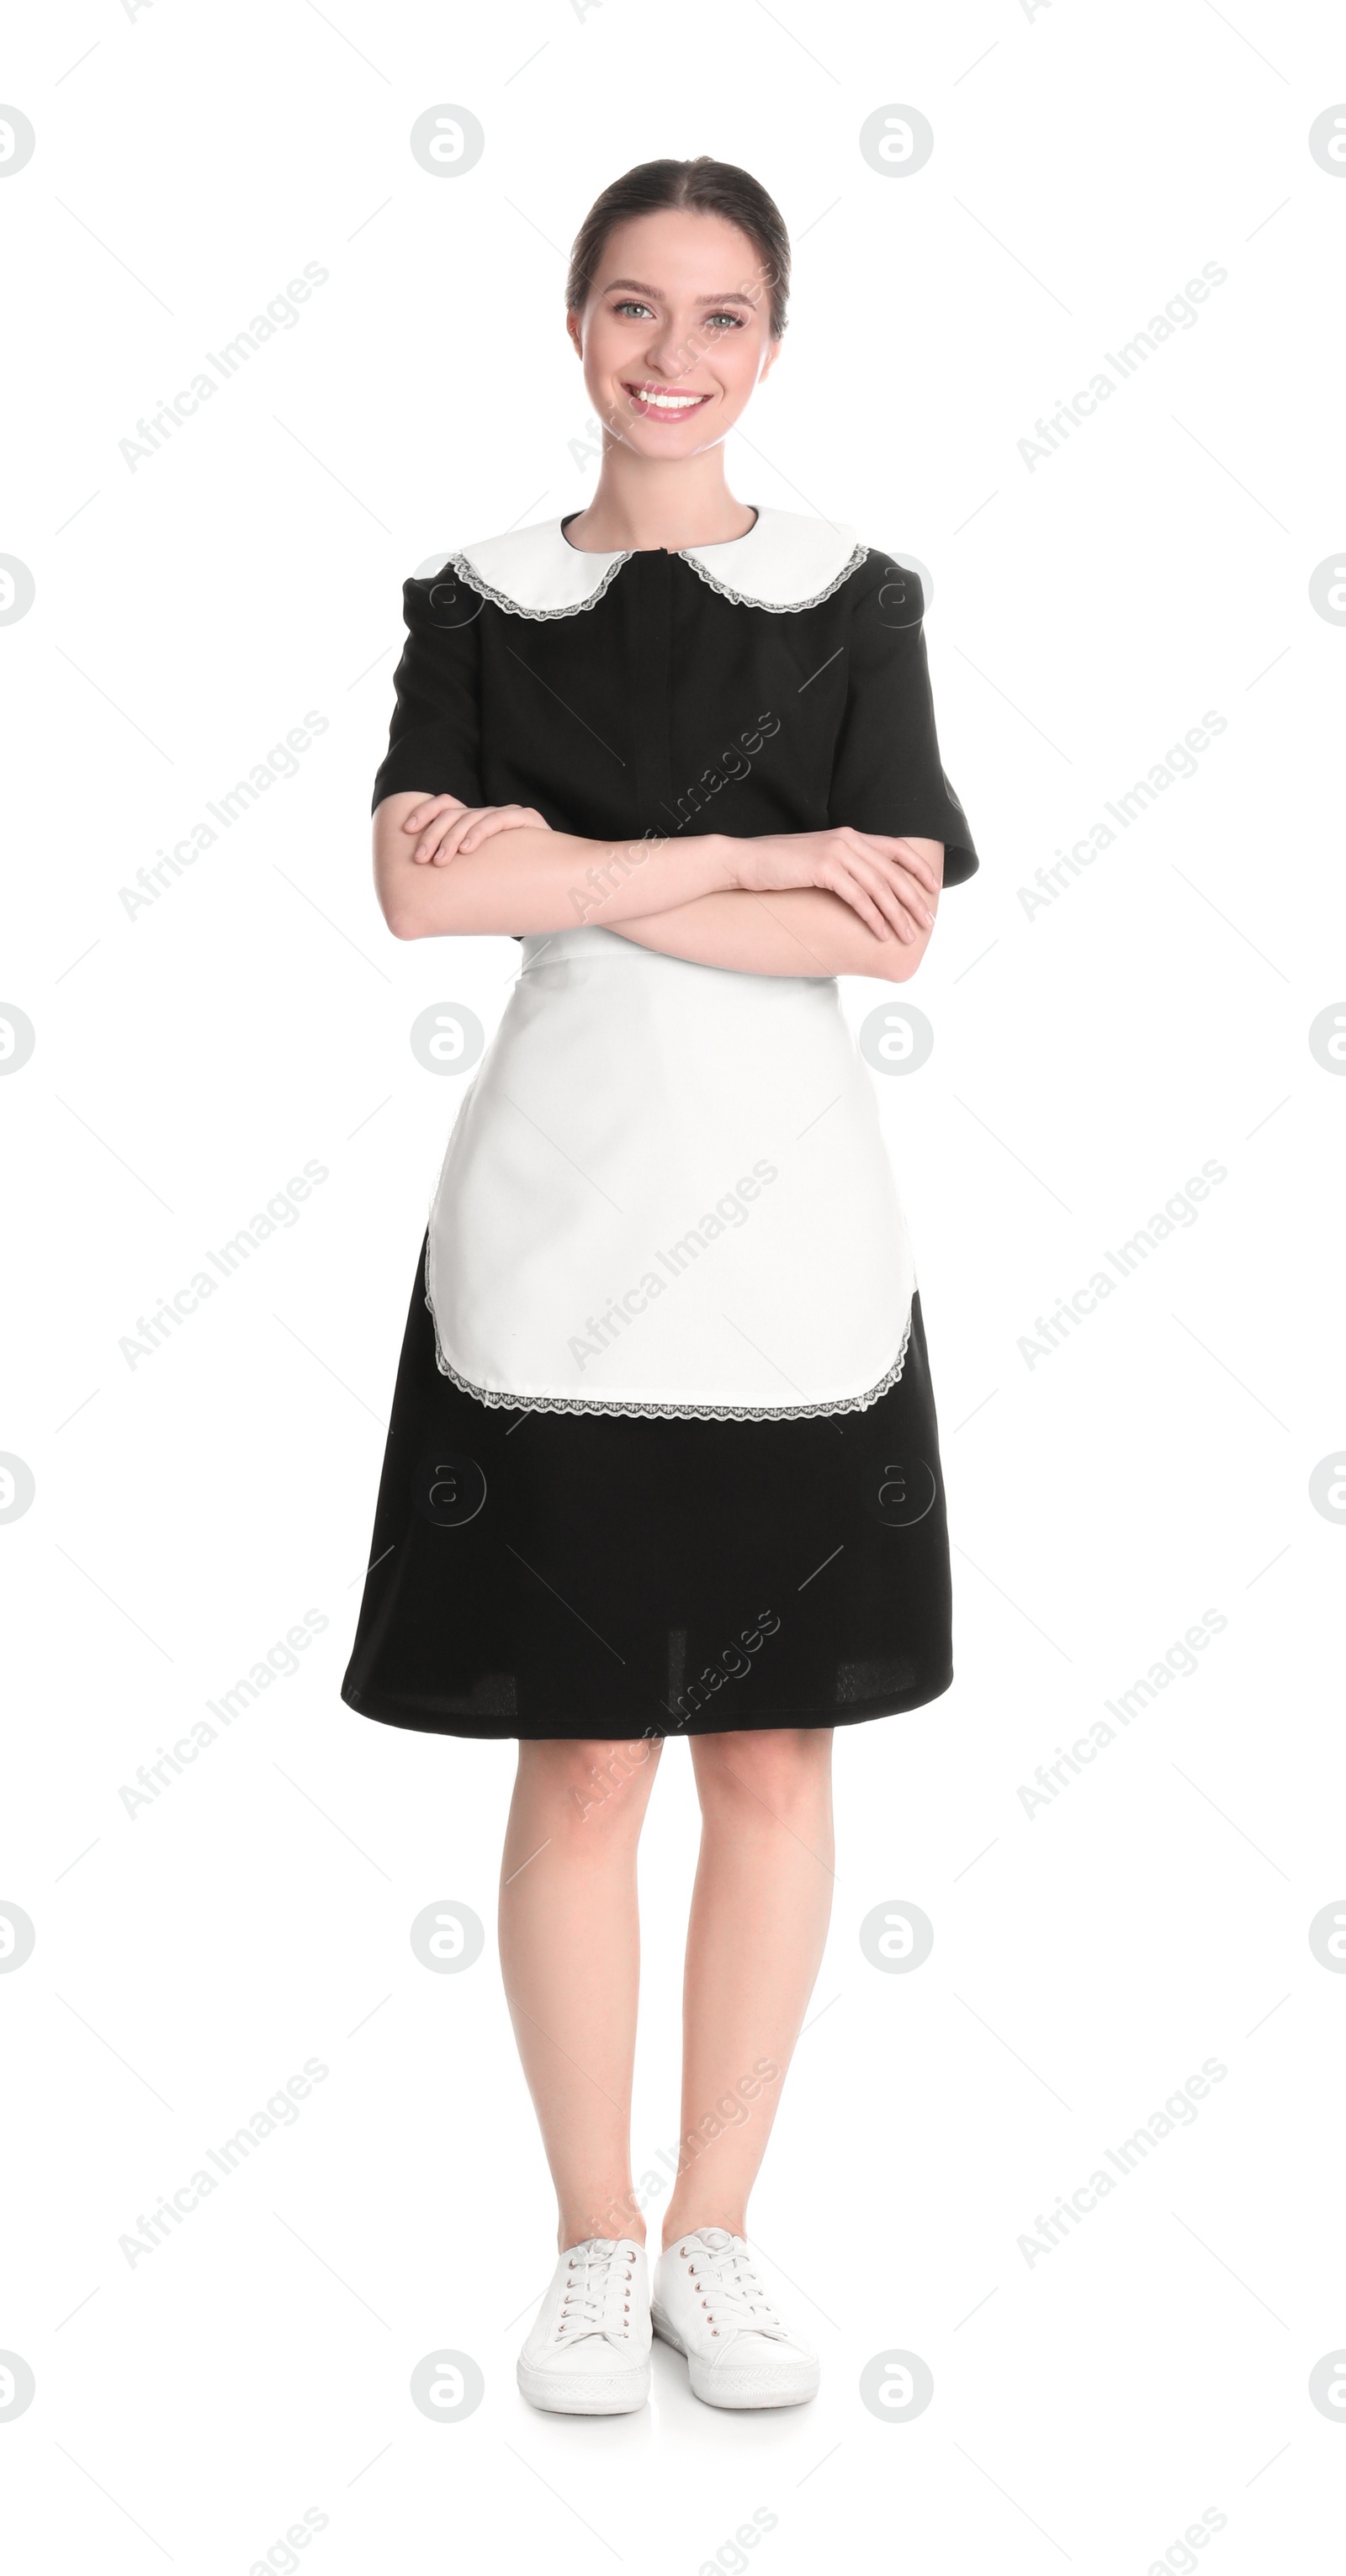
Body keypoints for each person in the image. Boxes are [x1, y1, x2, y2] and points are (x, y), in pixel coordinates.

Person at [342, 154, 979, 2415]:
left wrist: (563, 873)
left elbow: (885, 916)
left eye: (720, 318)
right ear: (577, 327)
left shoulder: (855, 598)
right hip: (560, 1229)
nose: (673, 357)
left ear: (773, 345)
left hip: (792, 1231)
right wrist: (733, 848)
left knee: (780, 1760)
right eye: (634, 309)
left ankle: (721, 2228)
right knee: (589, 1756)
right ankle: (592, 2239)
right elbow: (422, 903)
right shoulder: (480, 600)